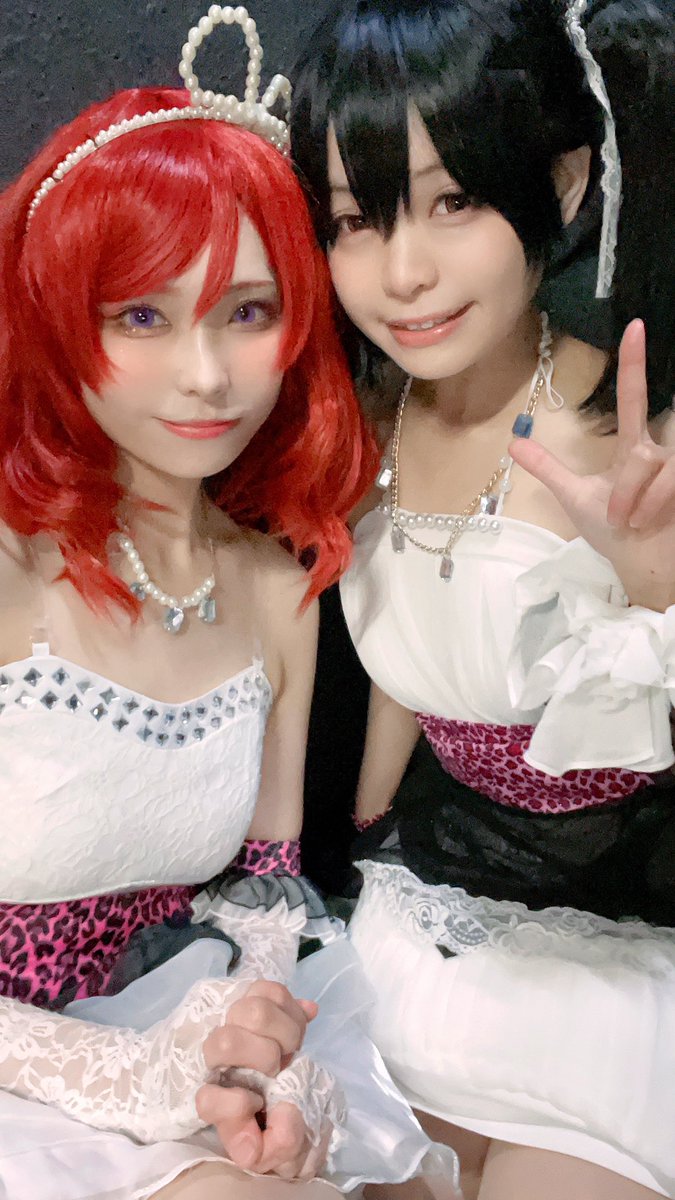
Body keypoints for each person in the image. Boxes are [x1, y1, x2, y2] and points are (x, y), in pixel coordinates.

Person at [0, 7, 451, 1199]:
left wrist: (254, 1047)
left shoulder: (276, 586)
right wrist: (133, 1075)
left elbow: (262, 890)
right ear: (59, 320)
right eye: (141, 316)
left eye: (246, 312)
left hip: (177, 1029)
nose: (206, 377)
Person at [291, 1, 675, 1198]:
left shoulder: (630, 442)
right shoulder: (364, 426)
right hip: (425, 915)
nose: (404, 272)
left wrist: (655, 583)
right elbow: (411, 661)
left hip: (619, 941)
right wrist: (360, 827)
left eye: (453, 200)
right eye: (357, 220)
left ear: (563, 184)